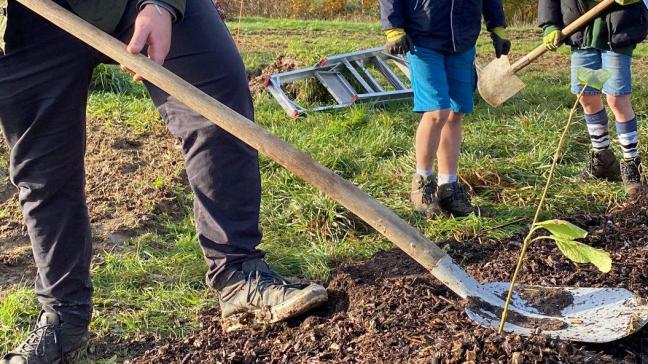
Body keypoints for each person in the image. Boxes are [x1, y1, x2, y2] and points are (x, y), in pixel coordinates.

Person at [0, 0, 328, 362]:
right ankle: (64, 319)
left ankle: (237, 273)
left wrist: (162, 4)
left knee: (214, 107)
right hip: (33, 14)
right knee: (43, 167)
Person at [379, 0, 510, 218]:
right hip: (423, 39)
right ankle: (422, 183)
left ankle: (448, 188)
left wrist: (497, 28)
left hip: (463, 40)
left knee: (455, 113)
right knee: (436, 112)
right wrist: (393, 28)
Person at [539, 0, 648, 197]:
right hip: (583, 33)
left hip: (616, 31)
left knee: (616, 98)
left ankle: (632, 165)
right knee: (588, 96)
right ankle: (602, 158)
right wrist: (550, 24)